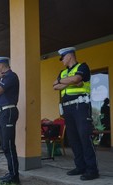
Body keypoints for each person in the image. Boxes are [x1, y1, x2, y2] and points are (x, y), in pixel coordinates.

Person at [53, 47, 99, 180]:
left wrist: (65, 82)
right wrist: (70, 82)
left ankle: (92, 170)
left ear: (69, 56)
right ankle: (80, 167)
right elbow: (54, 86)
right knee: (73, 139)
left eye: (63, 58)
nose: (62, 61)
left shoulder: (82, 67)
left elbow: (77, 78)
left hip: (81, 106)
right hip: (67, 109)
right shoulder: (62, 72)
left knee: (85, 137)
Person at [0, 57, 20, 184]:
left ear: (1, 65)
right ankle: (11, 173)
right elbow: (0, 97)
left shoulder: (10, 76)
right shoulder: (5, 78)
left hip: (8, 112)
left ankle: (14, 176)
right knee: (5, 145)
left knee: (8, 145)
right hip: (3, 112)